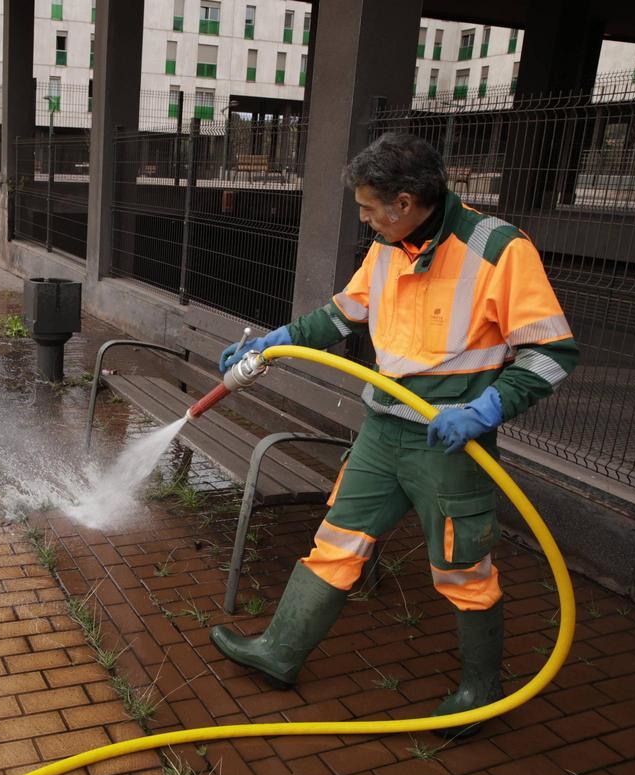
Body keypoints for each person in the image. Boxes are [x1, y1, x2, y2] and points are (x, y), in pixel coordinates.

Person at [211, 132, 579, 736]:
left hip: (451, 444)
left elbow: (552, 352)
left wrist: (486, 408)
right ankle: (279, 650)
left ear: (403, 203)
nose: (363, 219)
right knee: (338, 539)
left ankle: (480, 692)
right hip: (383, 431)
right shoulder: (389, 247)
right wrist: (277, 341)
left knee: (462, 568)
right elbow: (341, 315)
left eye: (367, 208)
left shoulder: (499, 250)